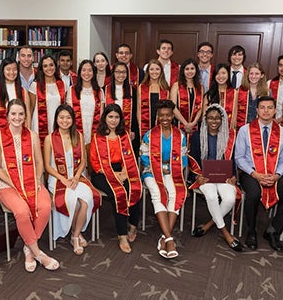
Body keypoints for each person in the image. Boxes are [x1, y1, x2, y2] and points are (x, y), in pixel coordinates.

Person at [0, 99, 59, 272]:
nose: (17, 117)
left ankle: (28, 247)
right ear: (7, 116)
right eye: (13, 113)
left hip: (32, 183)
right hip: (9, 186)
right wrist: (12, 181)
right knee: (21, 212)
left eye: (21, 114)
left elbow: (39, 162)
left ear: (25, 116)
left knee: (45, 206)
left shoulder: (33, 136)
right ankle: (38, 253)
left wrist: (37, 179)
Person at [235, 96, 283, 252]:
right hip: (251, 173)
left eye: (270, 107)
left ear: (275, 110)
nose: (266, 111)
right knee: (253, 194)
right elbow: (239, 158)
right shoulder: (245, 130)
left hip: (274, 174)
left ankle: (273, 231)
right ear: (257, 110)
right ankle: (251, 231)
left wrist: (277, 174)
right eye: (262, 107)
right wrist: (255, 174)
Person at [43, 105, 101, 255]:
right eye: (61, 117)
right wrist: (63, 179)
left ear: (73, 120)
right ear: (56, 119)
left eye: (68, 117)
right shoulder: (50, 139)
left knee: (87, 199)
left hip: (76, 176)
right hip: (57, 179)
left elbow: (83, 161)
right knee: (73, 202)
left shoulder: (78, 136)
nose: (65, 120)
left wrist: (76, 177)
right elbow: (47, 166)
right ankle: (75, 234)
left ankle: (75, 235)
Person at [190, 104, 244, 252]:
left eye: (217, 118)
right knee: (212, 196)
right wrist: (197, 175)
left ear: (222, 120)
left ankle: (208, 225)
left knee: (230, 199)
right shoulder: (197, 136)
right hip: (205, 176)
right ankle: (226, 233)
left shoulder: (229, 136)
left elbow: (233, 159)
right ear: (205, 119)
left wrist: (233, 176)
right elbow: (192, 158)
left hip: (223, 176)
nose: (213, 121)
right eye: (210, 118)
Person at [140, 100, 189, 258]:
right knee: (156, 193)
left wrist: (169, 168)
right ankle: (169, 239)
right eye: (162, 115)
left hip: (171, 172)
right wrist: (159, 167)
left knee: (175, 192)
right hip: (151, 172)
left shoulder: (179, 135)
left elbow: (183, 157)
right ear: (157, 116)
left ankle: (164, 238)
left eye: (168, 115)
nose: (165, 118)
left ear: (173, 116)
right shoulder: (149, 135)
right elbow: (144, 156)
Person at [90, 104, 142, 253]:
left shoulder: (123, 135)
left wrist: (124, 172)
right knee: (118, 193)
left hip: (122, 169)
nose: (113, 120)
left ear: (121, 119)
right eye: (110, 116)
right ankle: (122, 235)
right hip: (102, 173)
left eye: (116, 117)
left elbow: (129, 157)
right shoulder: (97, 136)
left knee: (133, 187)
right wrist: (112, 174)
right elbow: (94, 162)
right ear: (105, 118)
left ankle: (132, 225)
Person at [28, 55, 66, 144]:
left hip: (58, 124)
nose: (49, 68)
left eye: (51, 65)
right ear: (41, 69)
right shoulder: (35, 85)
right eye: (45, 66)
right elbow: (30, 109)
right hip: (39, 125)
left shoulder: (61, 84)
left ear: (55, 66)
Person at [67, 60, 103, 147]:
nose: (87, 73)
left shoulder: (99, 91)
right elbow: (69, 113)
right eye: (84, 70)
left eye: (90, 70)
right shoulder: (72, 90)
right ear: (79, 72)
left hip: (94, 131)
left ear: (94, 73)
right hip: (76, 131)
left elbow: (101, 114)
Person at [104, 62, 138, 143]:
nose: (121, 75)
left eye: (123, 72)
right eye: (118, 72)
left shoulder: (132, 90)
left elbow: (134, 111)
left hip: (127, 127)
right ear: (113, 73)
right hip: (109, 128)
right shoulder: (105, 89)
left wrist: (132, 129)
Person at [170, 58, 203, 140]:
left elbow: (200, 107)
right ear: (183, 71)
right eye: (187, 69)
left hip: (195, 126)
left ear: (196, 70)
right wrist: (185, 124)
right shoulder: (176, 86)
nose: (190, 71)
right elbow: (173, 107)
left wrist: (194, 123)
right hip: (179, 124)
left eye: (192, 68)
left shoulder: (200, 87)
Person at [136, 59, 170, 138]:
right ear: (148, 71)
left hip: (161, 122)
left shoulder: (165, 88)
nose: (154, 72)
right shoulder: (142, 87)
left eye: (157, 69)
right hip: (145, 124)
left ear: (161, 71)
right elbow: (138, 109)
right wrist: (140, 125)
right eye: (151, 69)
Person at [0, 57, 28, 130]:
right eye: (8, 69)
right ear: (2, 71)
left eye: (14, 69)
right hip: (1, 133)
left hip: (21, 133)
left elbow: (27, 115)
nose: (12, 72)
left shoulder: (23, 91)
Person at [235, 63, 269, 129]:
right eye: (251, 74)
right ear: (247, 75)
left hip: (258, 130)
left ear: (262, 75)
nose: (253, 76)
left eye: (257, 74)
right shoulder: (239, 91)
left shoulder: (267, 93)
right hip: (240, 129)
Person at [204, 63, 237, 129]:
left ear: (228, 74)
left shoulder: (235, 92)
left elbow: (235, 115)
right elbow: (204, 116)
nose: (220, 76)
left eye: (223, 73)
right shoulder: (209, 94)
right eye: (218, 74)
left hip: (229, 131)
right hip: (212, 131)